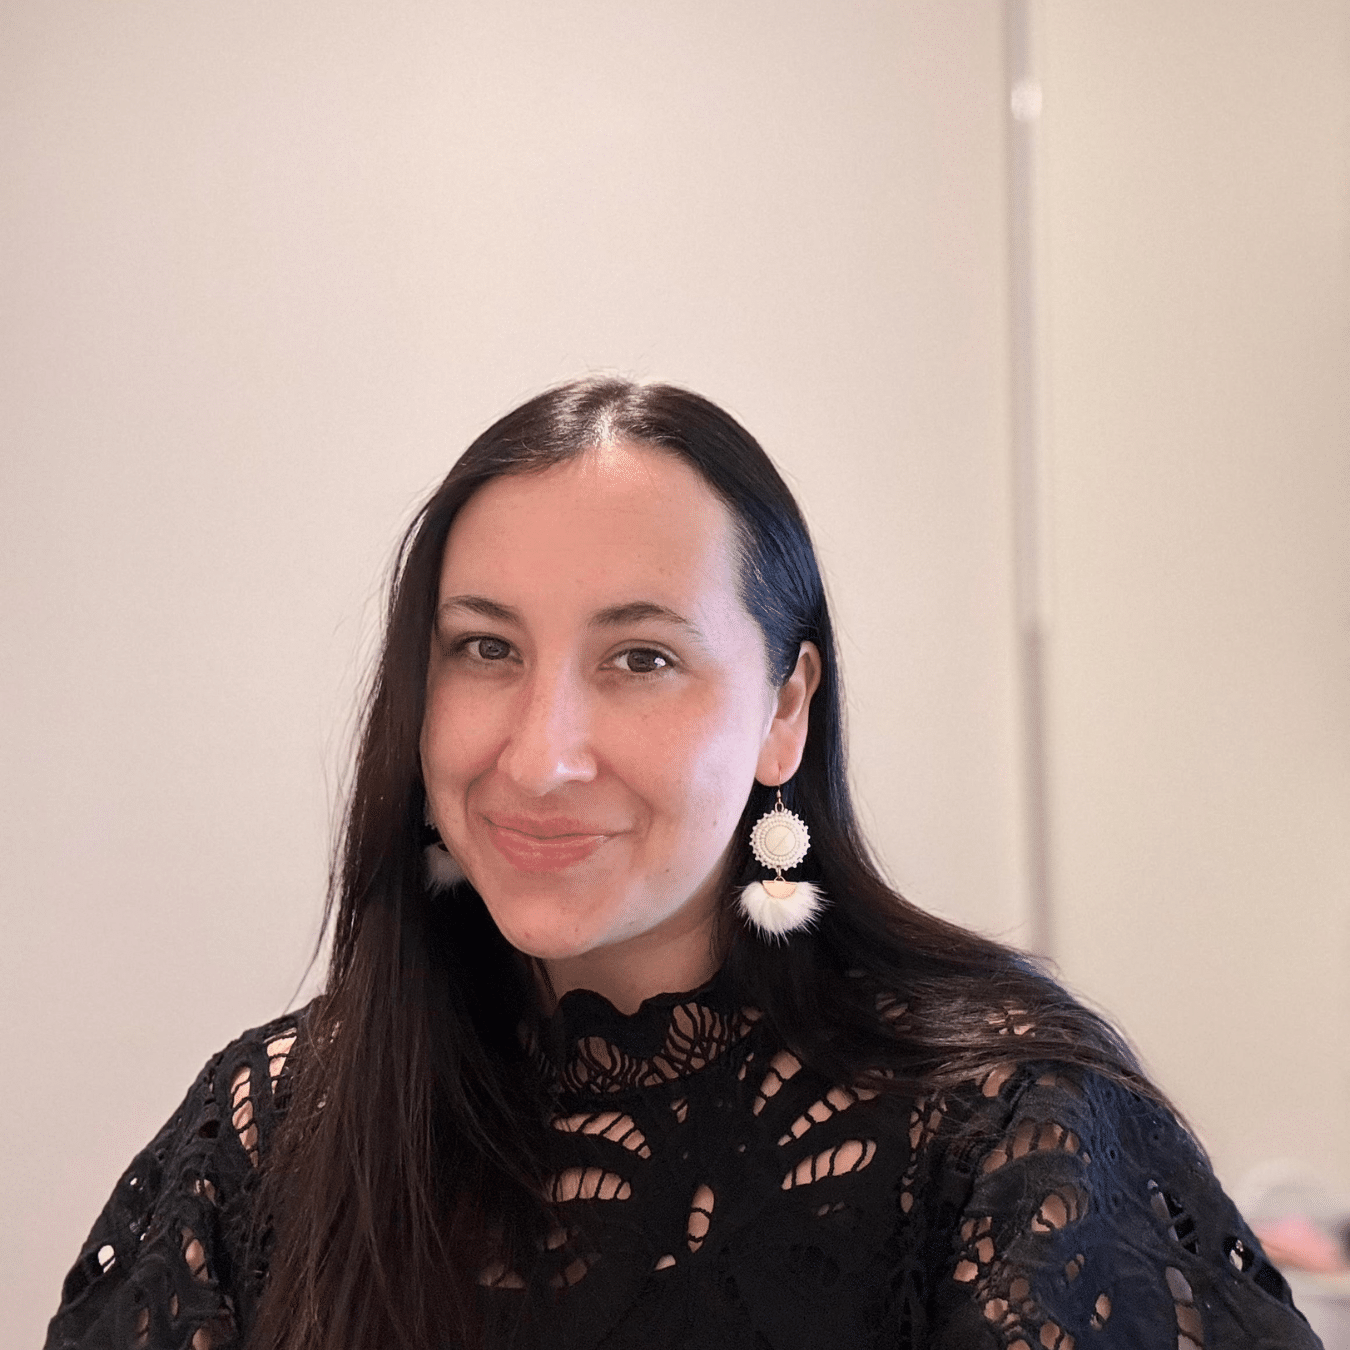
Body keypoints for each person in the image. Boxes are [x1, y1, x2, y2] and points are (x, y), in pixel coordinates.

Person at [46, 378, 1320, 1350]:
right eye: (486, 650)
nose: (540, 758)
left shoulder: (1003, 1123)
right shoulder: (276, 1127)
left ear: (784, 709)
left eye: (641, 659)